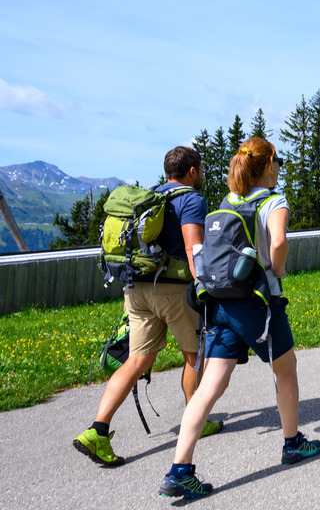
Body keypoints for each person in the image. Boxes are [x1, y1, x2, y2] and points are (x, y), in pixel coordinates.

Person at [158, 138, 320, 499]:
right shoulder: (274, 200)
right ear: (267, 166)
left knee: (210, 386)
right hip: (259, 303)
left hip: (221, 303)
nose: (280, 166)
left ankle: (179, 469)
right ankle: (293, 443)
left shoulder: (227, 202)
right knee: (285, 369)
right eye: (278, 160)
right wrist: (276, 270)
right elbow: (277, 243)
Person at [74, 146, 222, 467]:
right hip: (173, 290)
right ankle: (195, 419)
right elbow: (193, 246)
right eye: (201, 169)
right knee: (195, 355)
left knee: (137, 360)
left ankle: (97, 430)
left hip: (136, 288)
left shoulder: (149, 198)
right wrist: (203, 285)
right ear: (193, 171)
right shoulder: (191, 199)